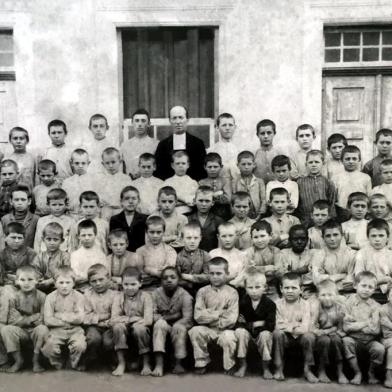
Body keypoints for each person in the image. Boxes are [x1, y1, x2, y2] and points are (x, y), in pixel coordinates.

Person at [188, 257, 239, 375]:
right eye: (212, 273)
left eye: (219, 273)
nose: (215, 276)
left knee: (228, 338)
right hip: (208, 329)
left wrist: (209, 314)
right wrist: (219, 314)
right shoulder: (202, 291)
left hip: (226, 330)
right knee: (195, 330)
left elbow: (231, 319)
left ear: (227, 274)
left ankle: (229, 365)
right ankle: (202, 362)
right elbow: (198, 316)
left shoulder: (232, 292)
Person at [0, 266, 48, 373]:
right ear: (16, 281)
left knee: (42, 329)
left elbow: (43, 318)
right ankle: (18, 360)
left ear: (37, 281)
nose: (26, 283)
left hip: (36, 330)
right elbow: (13, 320)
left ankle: (36, 361)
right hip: (21, 332)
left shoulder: (42, 296)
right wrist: (32, 318)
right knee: (6, 329)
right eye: (22, 280)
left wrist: (30, 319)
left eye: (30, 279)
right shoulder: (14, 297)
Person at [272, 272, 318, 383]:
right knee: (277, 333)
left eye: (294, 288)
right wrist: (294, 325)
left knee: (309, 337)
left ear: (301, 289)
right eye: (287, 288)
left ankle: (308, 370)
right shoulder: (277, 304)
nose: (290, 291)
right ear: (281, 289)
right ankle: (279, 368)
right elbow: (277, 324)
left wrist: (287, 325)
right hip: (285, 338)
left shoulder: (305, 304)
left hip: (301, 338)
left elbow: (305, 328)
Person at [342, 271, 384, 385]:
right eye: (363, 285)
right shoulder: (348, 303)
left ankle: (371, 373)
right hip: (354, 340)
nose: (366, 289)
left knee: (379, 349)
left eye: (370, 287)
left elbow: (376, 330)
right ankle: (357, 373)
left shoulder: (376, 306)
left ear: (374, 289)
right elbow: (346, 328)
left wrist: (355, 325)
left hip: (370, 341)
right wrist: (367, 323)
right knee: (346, 341)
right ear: (355, 285)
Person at [110, 266, 153, 376]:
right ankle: (121, 363)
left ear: (140, 283)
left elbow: (148, 320)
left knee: (140, 328)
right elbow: (114, 318)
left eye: (133, 284)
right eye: (126, 284)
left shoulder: (146, 296)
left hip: (140, 329)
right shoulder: (118, 297)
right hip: (125, 329)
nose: (129, 288)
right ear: (122, 284)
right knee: (118, 327)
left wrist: (137, 321)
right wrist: (133, 319)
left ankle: (146, 362)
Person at [41, 267, 87, 370]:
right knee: (49, 347)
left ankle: (74, 363)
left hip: (75, 330)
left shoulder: (79, 296)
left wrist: (60, 316)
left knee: (80, 345)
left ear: (74, 283)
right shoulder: (50, 297)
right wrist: (70, 319)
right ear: (55, 283)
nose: (64, 286)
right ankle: (58, 362)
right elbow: (48, 320)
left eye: (68, 282)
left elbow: (80, 318)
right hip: (56, 330)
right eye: (61, 282)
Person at [234, 268, 276, 378]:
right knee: (240, 332)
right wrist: (258, 323)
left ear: (264, 288)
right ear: (245, 288)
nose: (254, 291)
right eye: (250, 287)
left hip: (262, 334)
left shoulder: (270, 304)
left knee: (265, 335)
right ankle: (242, 365)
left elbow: (270, 324)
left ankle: (266, 367)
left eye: (257, 287)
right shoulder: (243, 303)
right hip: (247, 334)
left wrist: (253, 324)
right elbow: (239, 322)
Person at [151, 267, 193, 376]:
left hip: (179, 327)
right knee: (160, 324)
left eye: (173, 277)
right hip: (161, 326)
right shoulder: (155, 294)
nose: (169, 280)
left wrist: (176, 322)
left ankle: (178, 363)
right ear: (161, 281)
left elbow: (187, 318)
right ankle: (159, 365)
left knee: (178, 327)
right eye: (165, 278)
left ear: (179, 280)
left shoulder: (185, 296)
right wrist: (173, 316)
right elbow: (152, 315)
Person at [154, 105, 206, 180]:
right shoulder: (163, 145)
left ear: (187, 120)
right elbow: (158, 171)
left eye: (181, 117)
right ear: (170, 121)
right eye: (174, 118)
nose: (178, 122)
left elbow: (202, 171)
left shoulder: (198, 144)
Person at [313, 279, 348, 384]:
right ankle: (321, 370)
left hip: (335, 333)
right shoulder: (316, 307)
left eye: (330, 295)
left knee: (337, 340)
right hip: (320, 334)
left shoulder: (340, 307)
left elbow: (341, 327)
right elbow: (313, 325)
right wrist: (320, 332)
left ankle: (340, 370)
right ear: (318, 296)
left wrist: (330, 330)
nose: (327, 298)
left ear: (336, 295)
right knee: (325, 341)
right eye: (323, 295)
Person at [83, 264, 116, 369]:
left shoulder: (115, 294)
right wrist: (103, 317)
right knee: (93, 339)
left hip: (110, 326)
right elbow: (86, 316)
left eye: (101, 280)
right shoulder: (87, 295)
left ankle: (111, 358)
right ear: (89, 282)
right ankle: (91, 357)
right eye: (94, 281)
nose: (98, 283)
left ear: (108, 279)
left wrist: (105, 321)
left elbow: (115, 315)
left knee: (108, 341)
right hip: (94, 326)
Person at [312, 219, 355, 294]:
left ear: (342, 235)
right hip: (325, 294)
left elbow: (350, 281)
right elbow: (317, 280)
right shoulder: (318, 255)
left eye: (335, 235)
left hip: (347, 294)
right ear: (323, 238)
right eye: (328, 236)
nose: (332, 239)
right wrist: (342, 275)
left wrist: (327, 278)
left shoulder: (351, 254)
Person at [354, 218, 392, 301]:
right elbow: (358, 276)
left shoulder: (390, 254)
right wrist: (381, 280)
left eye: (381, 235)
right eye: (373, 236)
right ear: (368, 237)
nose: (377, 239)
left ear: (388, 237)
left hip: (387, 293)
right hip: (367, 292)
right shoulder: (362, 253)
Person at [90, 147, 132, 220]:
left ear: (120, 161)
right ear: (103, 164)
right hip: (105, 211)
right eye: (107, 163)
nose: (111, 166)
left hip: (121, 210)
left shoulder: (126, 179)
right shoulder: (99, 179)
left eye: (113, 162)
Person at [276, 225, 318, 296]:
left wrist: (291, 272)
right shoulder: (283, 253)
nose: (299, 242)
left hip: (310, 291)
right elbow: (281, 275)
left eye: (303, 239)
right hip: (289, 291)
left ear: (307, 240)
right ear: (289, 240)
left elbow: (315, 276)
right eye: (295, 239)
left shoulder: (314, 254)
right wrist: (300, 271)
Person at [296, 150, 336, 224]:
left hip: (324, 221)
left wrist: (331, 220)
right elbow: (298, 204)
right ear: (306, 164)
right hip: (305, 221)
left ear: (323, 164)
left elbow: (332, 203)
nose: (313, 165)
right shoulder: (300, 182)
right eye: (310, 162)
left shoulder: (328, 182)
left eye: (317, 162)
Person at [136, 216, 177, 289]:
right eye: (152, 232)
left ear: (163, 232)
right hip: (145, 289)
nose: (155, 235)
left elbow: (167, 273)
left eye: (158, 232)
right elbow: (140, 275)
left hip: (164, 289)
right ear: (146, 232)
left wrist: (148, 269)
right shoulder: (140, 251)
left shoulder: (170, 251)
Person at [244, 220, 280, 300]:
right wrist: (266, 268)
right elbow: (248, 271)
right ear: (251, 238)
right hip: (253, 287)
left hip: (272, 286)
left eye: (262, 236)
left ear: (270, 235)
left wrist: (256, 268)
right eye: (256, 237)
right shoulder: (249, 252)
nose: (259, 240)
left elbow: (277, 269)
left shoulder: (275, 251)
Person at [70, 219, 109, 292]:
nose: (87, 238)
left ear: (95, 235)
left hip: (98, 289)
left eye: (90, 235)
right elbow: (76, 277)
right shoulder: (75, 255)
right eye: (83, 235)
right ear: (78, 236)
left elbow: (103, 275)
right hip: (80, 290)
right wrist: (93, 276)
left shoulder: (100, 254)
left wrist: (86, 277)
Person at [120, 108, 158, 179]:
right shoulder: (125, 145)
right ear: (132, 123)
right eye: (137, 121)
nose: (140, 124)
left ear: (149, 124)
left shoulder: (156, 144)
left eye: (143, 121)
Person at [34, 188, 73, 253]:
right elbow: (37, 242)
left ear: (66, 205)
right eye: (54, 205)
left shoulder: (70, 221)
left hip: (63, 257)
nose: (57, 208)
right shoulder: (42, 221)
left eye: (60, 204)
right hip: (44, 256)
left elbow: (72, 244)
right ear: (48, 205)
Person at [34, 222, 70, 293]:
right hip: (42, 288)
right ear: (43, 239)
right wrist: (41, 281)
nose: (52, 243)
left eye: (55, 239)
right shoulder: (39, 257)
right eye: (49, 239)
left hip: (59, 288)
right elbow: (36, 272)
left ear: (62, 241)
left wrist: (50, 281)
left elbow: (66, 273)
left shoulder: (65, 256)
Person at [109, 186, 147, 252]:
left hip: (139, 256)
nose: (130, 201)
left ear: (139, 201)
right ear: (121, 201)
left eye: (134, 198)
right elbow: (112, 240)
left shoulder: (144, 218)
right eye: (127, 198)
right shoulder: (115, 219)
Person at [210, 222, 247, 288]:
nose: (227, 240)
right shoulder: (213, 254)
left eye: (231, 235)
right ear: (218, 237)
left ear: (236, 235)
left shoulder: (242, 255)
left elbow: (243, 278)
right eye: (224, 236)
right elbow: (210, 277)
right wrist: (231, 277)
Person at [176, 222, 210, 295]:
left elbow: (208, 276)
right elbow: (177, 278)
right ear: (182, 239)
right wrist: (188, 284)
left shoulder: (205, 255)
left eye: (196, 238)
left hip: (203, 291)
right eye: (188, 238)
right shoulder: (178, 257)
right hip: (183, 291)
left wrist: (190, 277)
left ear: (200, 238)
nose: (192, 241)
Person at [335, 145, 372, 211]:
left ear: (359, 160)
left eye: (354, 159)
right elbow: (334, 199)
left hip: (360, 211)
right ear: (341, 160)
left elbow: (369, 197)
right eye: (347, 159)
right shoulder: (336, 178)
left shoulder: (366, 178)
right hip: (342, 211)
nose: (351, 161)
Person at [188, 185, 224, 252]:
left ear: (212, 202)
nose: (204, 204)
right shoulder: (188, 220)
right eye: (201, 200)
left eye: (207, 201)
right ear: (194, 201)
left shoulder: (218, 221)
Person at [1, 184, 38, 248]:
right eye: (16, 200)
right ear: (11, 201)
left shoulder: (36, 219)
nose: (19, 203)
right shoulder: (5, 219)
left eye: (23, 200)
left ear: (29, 201)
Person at [0, 222, 37, 286]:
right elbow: (2, 276)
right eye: (13, 237)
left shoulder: (31, 253)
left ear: (24, 239)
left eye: (20, 238)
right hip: (7, 285)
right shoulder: (1, 254)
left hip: (26, 285)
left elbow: (34, 274)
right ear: (5, 238)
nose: (17, 241)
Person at [232, 150, 266, 219]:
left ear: (254, 165)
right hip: (240, 215)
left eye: (249, 164)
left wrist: (260, 214)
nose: (246, 167)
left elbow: (263, 200)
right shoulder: (234, 181)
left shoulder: (259, 181)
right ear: (238, 165)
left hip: (257, 215)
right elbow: (232, 200)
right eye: (243, 164)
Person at [163, 150, 198, 215]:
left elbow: (194, 202)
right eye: (177, 163)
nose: (180, 166)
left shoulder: (193, 183)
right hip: (171, 214)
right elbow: (164, 201)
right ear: (172, 165)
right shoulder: (167, 182)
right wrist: (185, 201)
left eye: (183, 163)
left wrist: (177, 200)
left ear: (188, 165)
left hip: (189, 214)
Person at [199, 152, 231, 220]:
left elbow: (228, 199)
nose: (212, 169)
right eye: (210, 167)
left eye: (215, 167)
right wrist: (218, 194)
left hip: (223, 214)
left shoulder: (225, 181)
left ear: (221, 167)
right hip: (206, 214)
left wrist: (209, 196)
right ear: (205, 167)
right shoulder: (201, 182)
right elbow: (201, 199)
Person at [61, 148, 93, 219]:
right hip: (70, 216)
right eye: (77, 163)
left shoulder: (93, 181)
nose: (80, 166)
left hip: (88, 216)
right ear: (71, 163)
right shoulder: (66, 182)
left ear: (88, 163)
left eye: (83, 163)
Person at [208, 113, 240, 182]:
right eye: (224, 125)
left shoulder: (240, 149)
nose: (227, 128)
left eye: (230, 125)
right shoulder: (211, 150)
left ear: (235, 127)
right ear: (217, 127)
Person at [254, 119, 286, 183]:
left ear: (274, 133)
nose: (266, 136)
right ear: (257, 135)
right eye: (262, 133)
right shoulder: (254, 154)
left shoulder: (280, 153)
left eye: (269, 133)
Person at [380, 287, 392, 388]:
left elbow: (389, 326)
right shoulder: (383, 309)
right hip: (388, 339)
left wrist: (391, 325)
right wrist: (388, 325)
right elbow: (386, 333)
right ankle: (389, 374)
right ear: (388, 296)